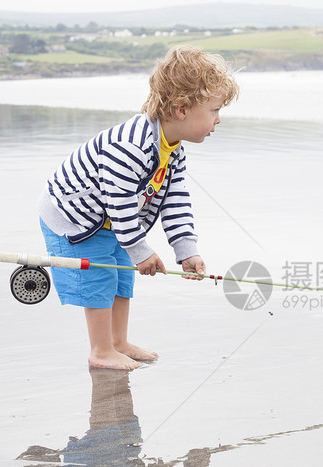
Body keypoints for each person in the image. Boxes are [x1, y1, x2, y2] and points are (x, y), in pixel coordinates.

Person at [38, 45, 239, 370]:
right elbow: (118, 204)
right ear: (181, 109)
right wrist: (142, 250)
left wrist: (186, 249)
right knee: (100, 275)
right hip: (73, 217)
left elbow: (175, 199)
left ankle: (119, 342)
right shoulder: (131, 146)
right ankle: (101, 350)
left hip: (109, 220)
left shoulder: (173, 149)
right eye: (214, 110)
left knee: (122, 273)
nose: (218, 120)